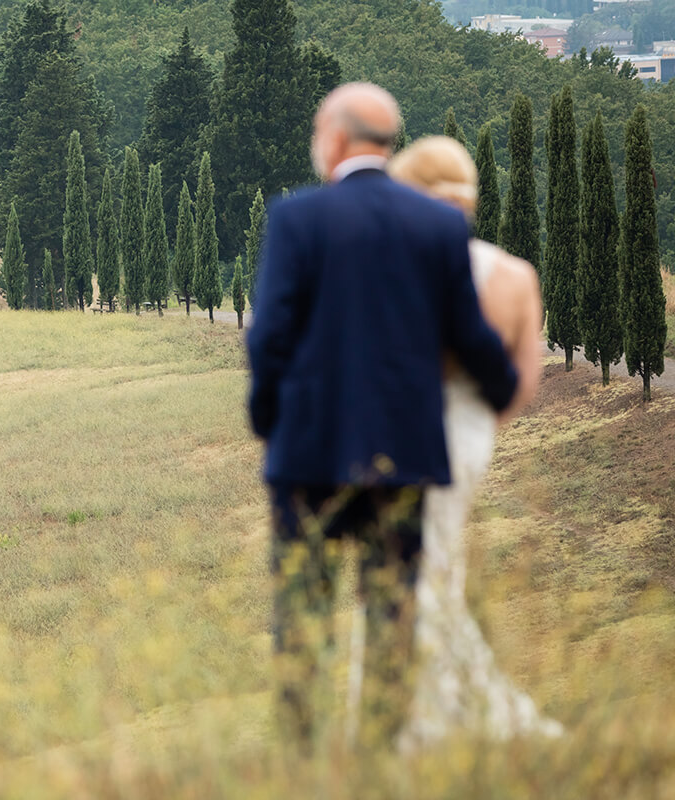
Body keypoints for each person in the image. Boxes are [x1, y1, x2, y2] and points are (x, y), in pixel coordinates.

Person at [246, 83, 519, 751]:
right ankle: (377, 756)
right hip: (403, 451)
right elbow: (468, 333)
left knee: (305, 611)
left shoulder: (297, 218)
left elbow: (268, 335)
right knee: (392, 611)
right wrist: (502, 386)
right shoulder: (438, 226)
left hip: (310, 450)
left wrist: (266, 417)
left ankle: (304, 754)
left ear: (335, 138)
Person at [387, 136, 561, 747]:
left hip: (405, 437)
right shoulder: (514, 276)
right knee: (436, 568)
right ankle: (447, 713)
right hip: (470, 436)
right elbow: (521, 383)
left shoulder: (399, 273)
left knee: (416, 576)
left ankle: (444, 721)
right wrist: (477, 424)